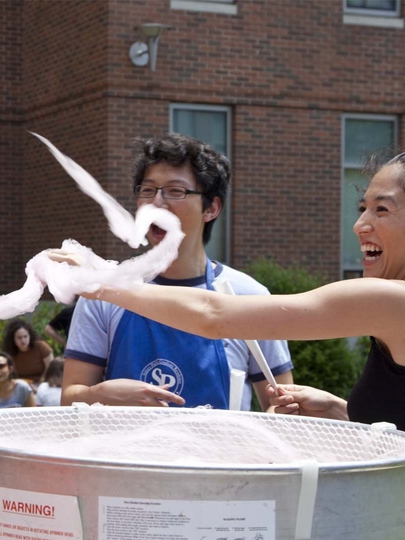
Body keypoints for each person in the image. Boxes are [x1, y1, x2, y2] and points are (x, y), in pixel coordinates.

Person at [55, 148, 405, 540]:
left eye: (383, 209)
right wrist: (344, 411)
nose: (361, 225)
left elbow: (212, 313)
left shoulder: (399, 300)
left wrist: (100, 283)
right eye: (362, 208)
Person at [62, 133, 293, 410]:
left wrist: (281, 410)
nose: (157, 203)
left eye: (175, 191)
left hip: (221, 453)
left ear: (211, 208)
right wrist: (105, 394)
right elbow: (69, 398)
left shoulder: (249, 297)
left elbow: (280, 407)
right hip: (124, 452)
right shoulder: (102, 293)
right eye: (148, 190)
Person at [1, 319, 53, 383]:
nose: (23, 340)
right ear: (12, 339)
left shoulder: (41, 347)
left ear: (30, 335)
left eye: (25, 336)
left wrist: (41, 383)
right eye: (19, 338)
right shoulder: (8, 353)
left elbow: (51, 369)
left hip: (44, 384)